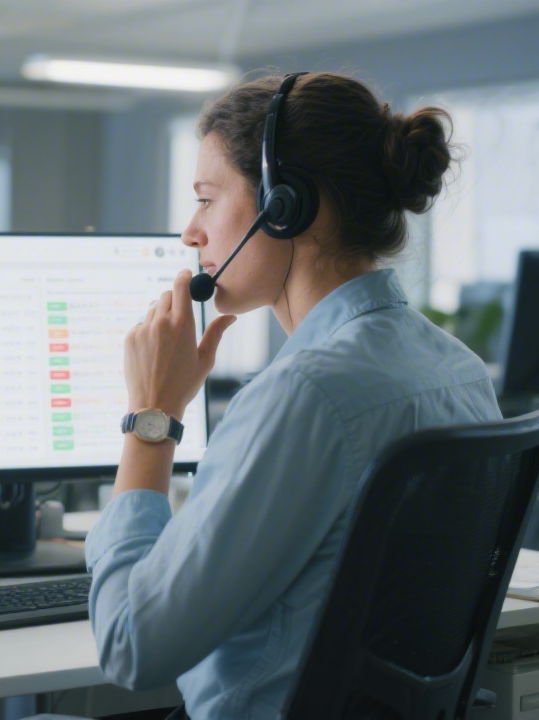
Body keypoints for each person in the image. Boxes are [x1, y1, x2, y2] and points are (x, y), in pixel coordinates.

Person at [86, 72, 503, 719]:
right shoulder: (461, 372)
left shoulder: (305, 396)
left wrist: (153, 417)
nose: (190, 233)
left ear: (289, 205)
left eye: (206, 200)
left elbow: (131, 647)